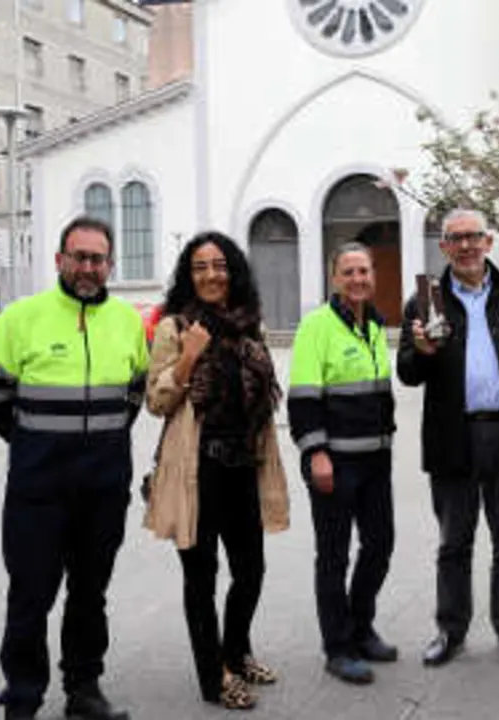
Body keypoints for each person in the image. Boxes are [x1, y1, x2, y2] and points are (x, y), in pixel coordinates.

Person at [0, 217, 148, 720]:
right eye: (79, 257)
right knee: (30, 596)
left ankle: (84, 689)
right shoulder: (21, 318)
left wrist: (98, 442)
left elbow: (134, 392)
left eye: (98, 259)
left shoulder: (127, 321)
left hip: (104, 488)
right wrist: (37, 443)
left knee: (90, 594)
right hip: (39, 490)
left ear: (110, 264)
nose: (88, 268)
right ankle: (22, 697)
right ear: (59, 260)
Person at [397, 208, 499, 668]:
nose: (465, 246)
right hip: (452, 438)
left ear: (489, 241)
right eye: (455, 238)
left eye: (473, 236)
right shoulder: (425, 300)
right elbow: (407, 373)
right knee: (453, 543)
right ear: (443, 246)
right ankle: (450, 631)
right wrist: (422, 352)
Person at [143, 232, 289, 710]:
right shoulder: (175, 326)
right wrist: (188, 356)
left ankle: (236, 652)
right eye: (200, 266)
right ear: (189, 275)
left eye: (220, 265)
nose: (211, 275)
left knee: (251, 570)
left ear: (234, 272)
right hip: (197, 471)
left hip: (244, 466)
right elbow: (157, 401)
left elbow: (263, 396)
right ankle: (215, 675)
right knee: (201, 578)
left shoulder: (250, 327)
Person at [288, 242, 398, 685]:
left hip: (376, 460)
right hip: (333, 462)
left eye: (363, 271)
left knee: (380, 545)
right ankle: (337, 647)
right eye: (348, 272)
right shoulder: (316, 325)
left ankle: (360, 626)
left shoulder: (373, 325)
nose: (357, 279)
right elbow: (303, 396)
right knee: (333, 556)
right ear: (334, 278)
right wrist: (316, 453)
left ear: (373, 276)